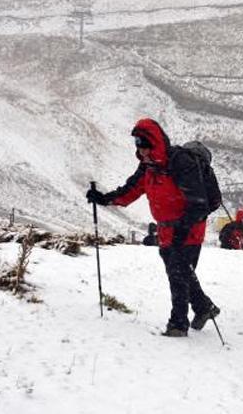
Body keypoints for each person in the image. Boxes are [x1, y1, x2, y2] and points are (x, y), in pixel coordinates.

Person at [86, 118, 220, 337]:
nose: (141, 151)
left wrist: (182, 230)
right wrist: (103, 199)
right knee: (181, 271)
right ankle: (204, 308)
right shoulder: (148, 167)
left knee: (177, 274)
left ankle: (178, 325)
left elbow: (198, 204)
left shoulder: (179, 164)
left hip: (190, 228)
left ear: (155, 143)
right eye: (138, 146)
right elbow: (130, 191)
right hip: (167, 229)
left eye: (144, 145)